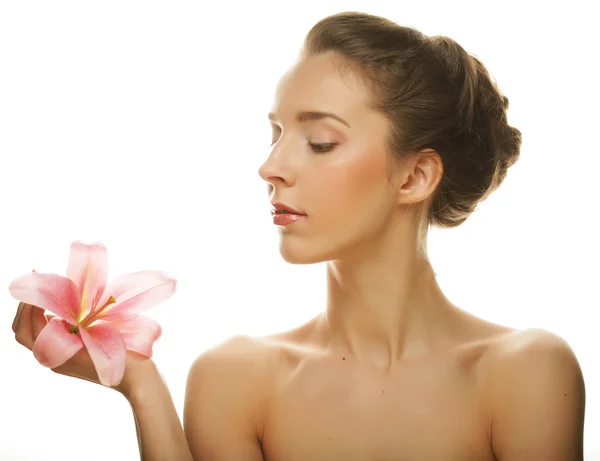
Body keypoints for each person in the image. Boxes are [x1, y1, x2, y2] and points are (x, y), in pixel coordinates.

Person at [11, 11, 586, 461]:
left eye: (320, 142)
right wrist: (139, 382)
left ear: (415, 176)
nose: (271, 167)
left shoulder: (527, 371)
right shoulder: (235, 378)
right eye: (276, 133)